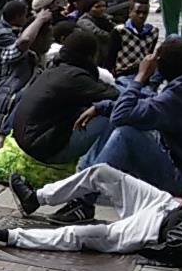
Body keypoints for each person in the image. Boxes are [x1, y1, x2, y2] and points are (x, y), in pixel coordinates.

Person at [70, 39, 182, 210]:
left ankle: (82, 202)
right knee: (123, 119)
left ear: (159, 68)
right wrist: (102, 107)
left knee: (126, 133)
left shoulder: (173, 99)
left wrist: (141, 76)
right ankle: (83, 180)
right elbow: (149, 103)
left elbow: (121, 115)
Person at [0, 166, 182, 256]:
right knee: (101, 173)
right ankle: (35, 198)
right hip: (168, 204)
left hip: (154, 229)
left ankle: (6, 236)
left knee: (84, 234)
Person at [11, 31, 119, 177]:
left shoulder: (55, 69)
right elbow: (114, 95)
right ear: (91, 56)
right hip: (44, 150)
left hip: (28, 141)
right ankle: (91, 173)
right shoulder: (76, 78)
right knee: (113, 114)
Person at [0, 9, 55, 145]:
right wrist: (40, 19)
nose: (52, 40)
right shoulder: (13, 55)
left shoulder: (42, 60)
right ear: (37, 38)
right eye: (49, 37)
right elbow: (24, 40)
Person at [114, 0, 159, 78]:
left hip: (144, 73)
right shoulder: (120, 31)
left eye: (145, 13)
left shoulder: (153, 31)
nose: (141, 16)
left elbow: (149, 54)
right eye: (138, 12)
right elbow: (111, 58)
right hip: (124, 74)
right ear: (130, 12)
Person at [76, 0, 119, 71]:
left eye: (104, 6)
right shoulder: (83, 22)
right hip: (96, 56)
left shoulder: (107, 19)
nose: (102, 9)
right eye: (97, 7)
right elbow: (99, 34)